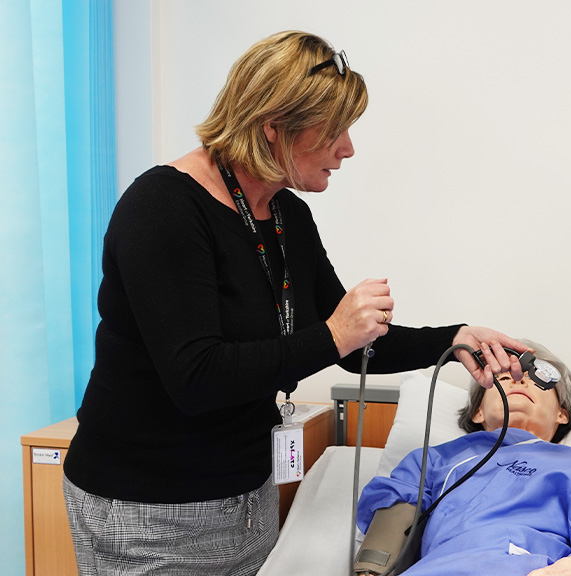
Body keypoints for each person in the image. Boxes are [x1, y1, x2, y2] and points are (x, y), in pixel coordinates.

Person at [62, 31, 528, 576]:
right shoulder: (162, 209)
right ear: (273, 129)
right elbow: (197, 377)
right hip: (148, 507)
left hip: (246, 495)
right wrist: (333, 335)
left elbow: (352, 348)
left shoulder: (285, 215)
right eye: (335, 132)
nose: (348, 148)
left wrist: (453, 338)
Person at [356, 341, 571, 576]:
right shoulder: (437, 459)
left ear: (562, 413)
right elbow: (391, 510)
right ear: (478, 412)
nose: (519, 380)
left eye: (537, 378)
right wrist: (372, 567)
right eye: (502, 376)